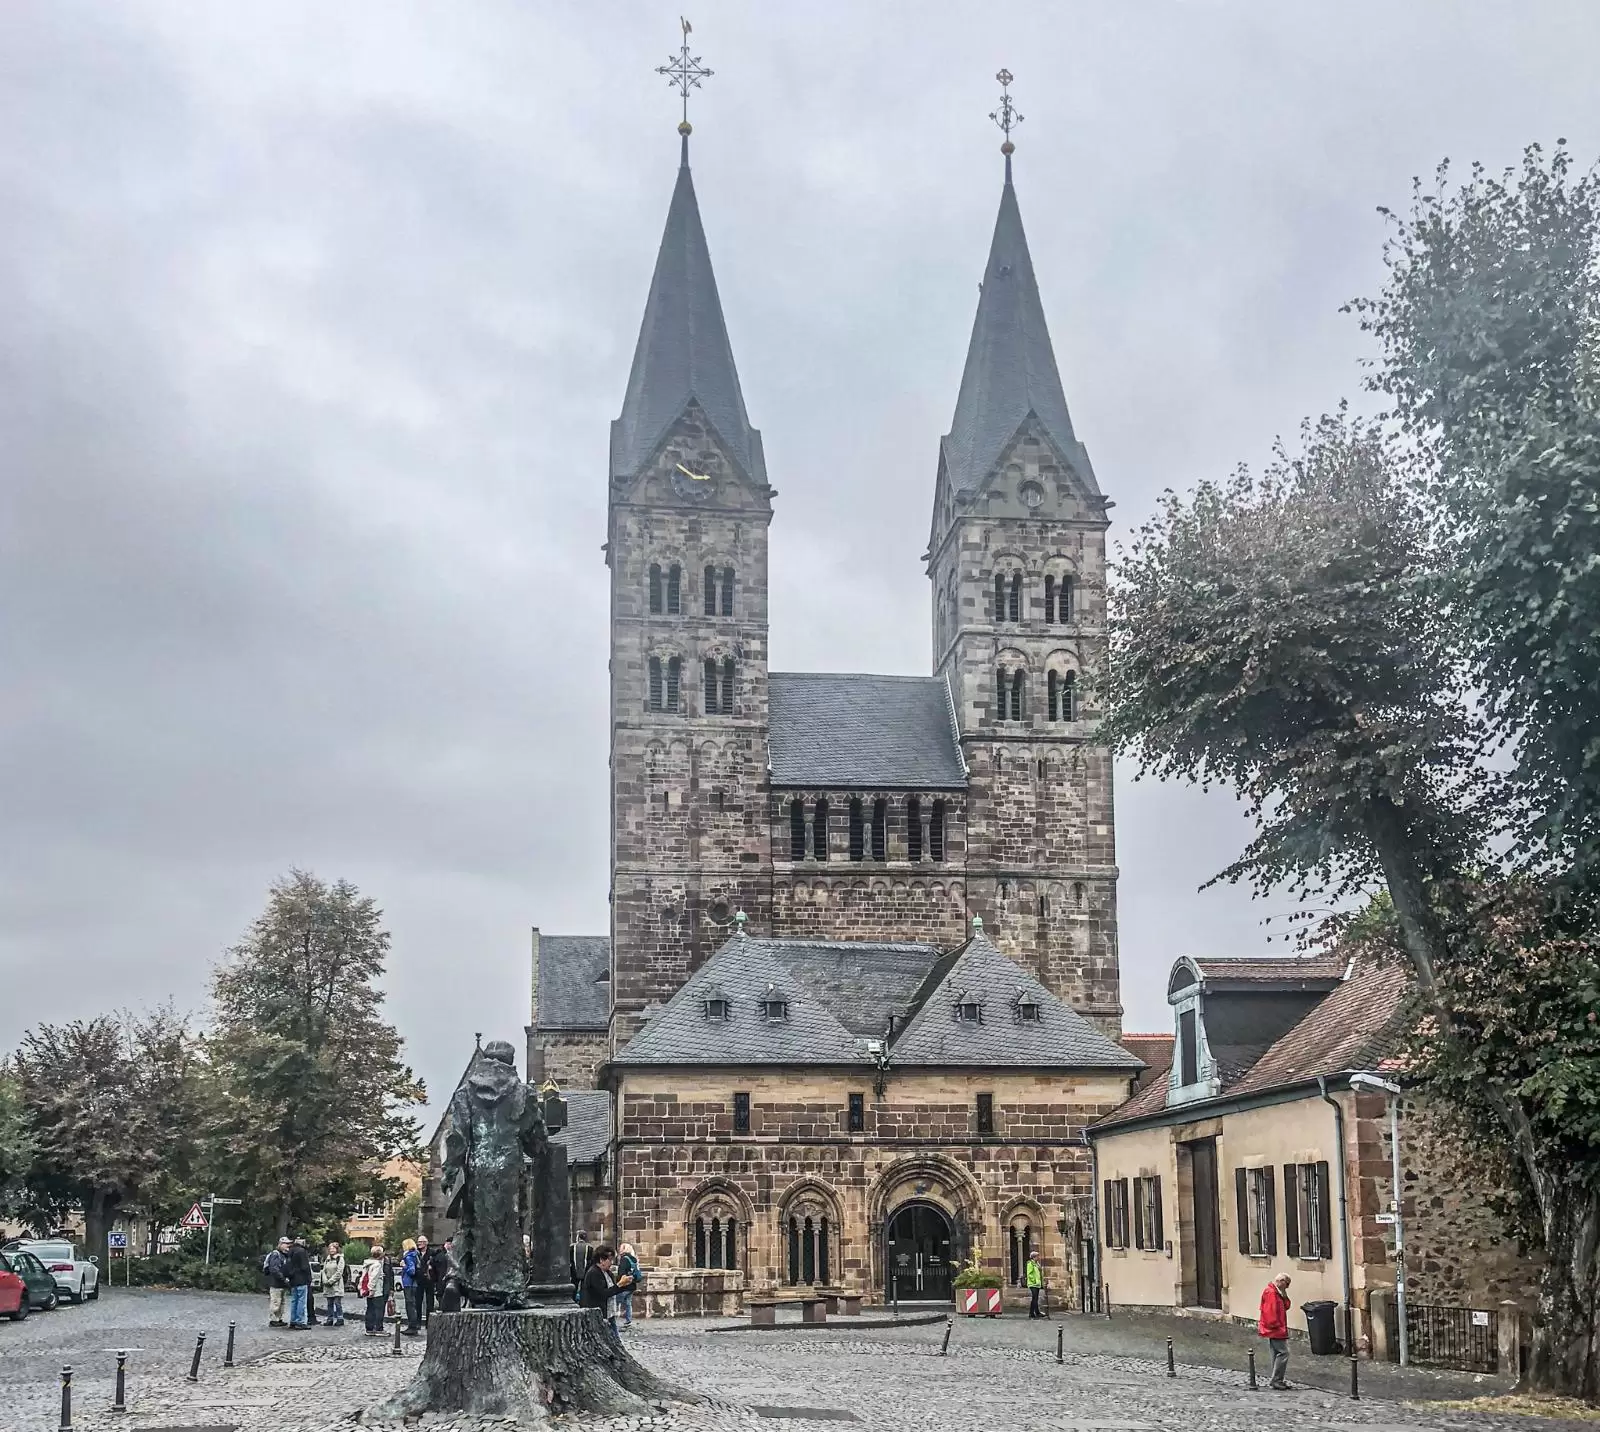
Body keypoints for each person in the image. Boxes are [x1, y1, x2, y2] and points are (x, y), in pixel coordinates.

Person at [579, 1245, 630, 1343]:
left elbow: (613, 1290)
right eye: (610, 1260)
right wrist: (619, 1285)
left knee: (615, 1341)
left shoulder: (607, 1273)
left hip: (609, 1312)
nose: (611, 1263)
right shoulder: (594, 1273)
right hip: (598, 1313)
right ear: (601, 1260)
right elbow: (602, 1293)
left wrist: (624, 1285)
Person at [1259, 1273, 1293, 1389]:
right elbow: (1270, 1312)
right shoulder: (1271, 1293)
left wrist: (1284, 1294)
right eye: (1287, 1284)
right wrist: (1276, 1326)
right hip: (1275, 1328)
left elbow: (1286, 1306)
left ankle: (1276, 1379)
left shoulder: (1277, 1292)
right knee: (1284, 1353)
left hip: (1276, 1328)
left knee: (1276, 1353)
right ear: (1282, 1282)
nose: (1287, 1287)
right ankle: (1276, 1380)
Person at [360, 1244, 391, 1336]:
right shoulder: (377, 1265)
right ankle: (378, 1328)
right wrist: (372, 1289)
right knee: (379, 1309)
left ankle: (369, 1328)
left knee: (370, 1309)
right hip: (376, 1290)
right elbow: (373, 1278)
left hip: (369, 1290)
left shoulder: (368, 1263)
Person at [285, 1235, 313, 1330]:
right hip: (301, 1279)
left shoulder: (290, 1252)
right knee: (302, 1301)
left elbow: (287, 1266)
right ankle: (300, 1321)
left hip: (293, 1280)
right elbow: (305, 1267)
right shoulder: (302, 1252)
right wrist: (309, 1278)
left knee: (294, 1300)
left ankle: (293, 1320)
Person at [263, 1236, 291, 1327]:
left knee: (281, 1302)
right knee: (275, 1302)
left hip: (282, 1284)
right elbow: (274, 1270)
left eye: (288, 1244)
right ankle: (273, 1320)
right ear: (280, 1244)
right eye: (286, 1244)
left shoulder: (284, 1255)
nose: (288, 1246)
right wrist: (283, 1279)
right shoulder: (276, 1254)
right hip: (276, 1283)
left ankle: (279, 1319)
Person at [319, 1242, 346, 1327]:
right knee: (329, 1303)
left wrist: (331, 1281)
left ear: (337, 1249)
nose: (331, 1250)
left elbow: (339, 1272)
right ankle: (330, 1319)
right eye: (330, 1248)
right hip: (328, 1285)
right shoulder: (327, 1259)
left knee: (337, 1303)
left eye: (333, 1248)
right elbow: (323, 1270)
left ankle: (340, 1318)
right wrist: (325, 1280)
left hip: (336, 1284)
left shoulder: (340, 1259)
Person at [400, 1237, 423, 1335]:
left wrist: (404, 1266)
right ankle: (413, 1325)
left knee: (410, 1305)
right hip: (414, 1283)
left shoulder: (409, 1256)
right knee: (412, 1304)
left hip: (409, 1283)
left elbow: (411, 1271)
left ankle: (412, 1326)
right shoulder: (416, 1255)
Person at [616, 1243, 641, 1329]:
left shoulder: (624, 1259)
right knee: (628, 1303)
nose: (619, 1249)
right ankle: (628, 1321)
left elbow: (621, 1273)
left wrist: (617, 1283)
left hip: (624, 1285)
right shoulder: (634, 1259)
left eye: (620, 1248)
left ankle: (611, 1319)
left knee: (615, 1301)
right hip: (632, 1285)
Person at [414, 1235, 433, 1326]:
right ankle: (418, 1321)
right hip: (418, 1280)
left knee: (430, 1301)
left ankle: (428, 1322)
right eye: (419, 1242)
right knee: (418, 1301)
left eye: (422, 1242)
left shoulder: (432, 1253)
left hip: (429, 1280)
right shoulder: (416, 1253)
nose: (420, 1244)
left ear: (426, 1243)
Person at [569, 1231, 592, 1302]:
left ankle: (573, 1300)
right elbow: (590, 1260)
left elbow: (569, 1259)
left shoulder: (572, 1247)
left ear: (578, 1237)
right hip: (586, 1271)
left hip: (574, 1271)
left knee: (574, 1288)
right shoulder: (589, 1247)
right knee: (584, 1289)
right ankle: (583, 1302)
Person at [1025, 1252, 1044, 1319]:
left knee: (1035, 1298)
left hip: (1037, 1284)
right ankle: (1031, 1313)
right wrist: (1034, 1281)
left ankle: (1036, 1312)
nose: (1038, 1257)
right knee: (1034, 1299)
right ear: (1034, 1257)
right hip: (1033, 1284)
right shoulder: (1030, 1264)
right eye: (1037, 1256)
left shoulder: (1037, 1264)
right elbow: (1029, 1274)